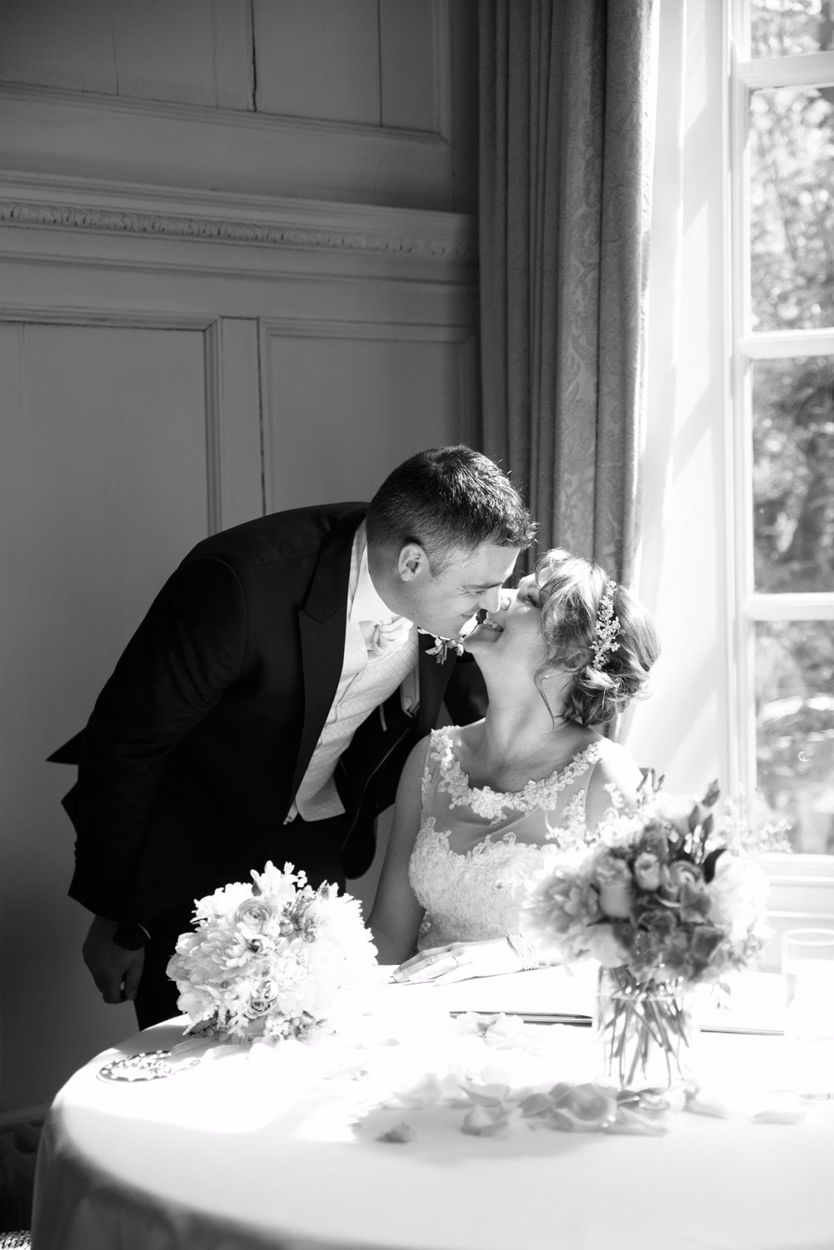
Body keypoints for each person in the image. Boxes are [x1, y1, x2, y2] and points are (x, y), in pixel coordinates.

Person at [53, 446, 535, 1026]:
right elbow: (126, 745)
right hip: (185, 852)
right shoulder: (238, 585)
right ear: (411, 564)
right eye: (479, 589)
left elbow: (494, 714)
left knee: (314, 1039)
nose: (493, 607)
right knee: (194, 1051)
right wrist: (117, 914)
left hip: (314, 847)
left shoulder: (445, 599)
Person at [368, 547, 659, 983]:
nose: (496, 598)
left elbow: (644, 937)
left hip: (535, 1020)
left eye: (529, 600)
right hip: (423, 1013)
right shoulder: (430, 760)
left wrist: (518, 951)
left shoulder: (604, 778)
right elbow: (390, 935)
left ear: (571, 657)